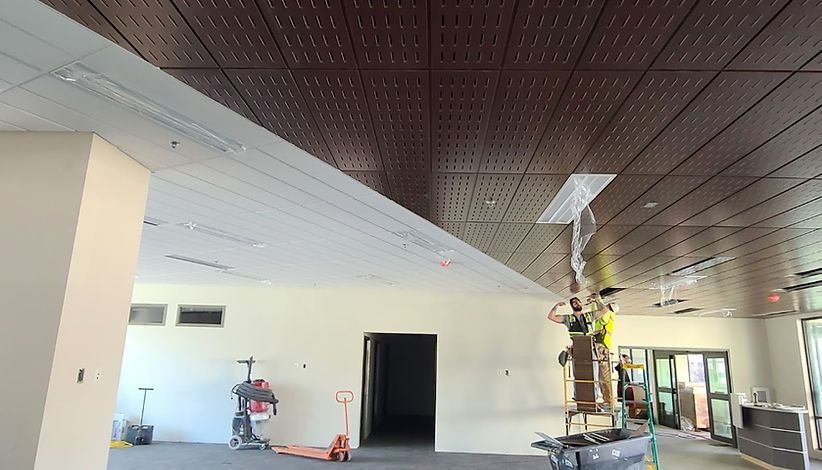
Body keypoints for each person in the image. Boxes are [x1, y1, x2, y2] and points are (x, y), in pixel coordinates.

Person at [589, 294, 619, 410]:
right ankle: (606, 400)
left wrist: (598, 299)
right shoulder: (605, 316)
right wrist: (593, 302)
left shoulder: (609, 314)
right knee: (600, 374)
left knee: (604, 375)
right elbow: (595, 314)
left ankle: (608, 401)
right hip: (599, 345)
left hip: (602, 347)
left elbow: (602, 312)